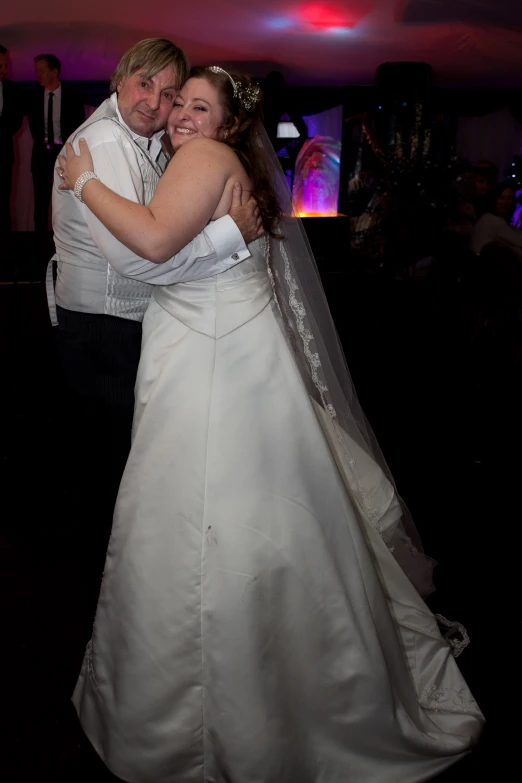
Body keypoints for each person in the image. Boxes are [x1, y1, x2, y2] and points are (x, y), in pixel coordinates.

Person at [58, 66, 483, 782]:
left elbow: (154, 247)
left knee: (200, 516)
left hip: (214, 363)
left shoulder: (201, 156)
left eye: (197, 105)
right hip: (221, 348)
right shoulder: (211, 160)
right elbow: (176, 258)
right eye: (176, 103)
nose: (180, 115)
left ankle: (224, 714)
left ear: (227, 123)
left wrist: (83, 181)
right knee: (246, 512)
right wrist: (225, 236)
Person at [50, 40, 261, 543]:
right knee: (115, 462)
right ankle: (107, 567)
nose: (157, 104)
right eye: (146, 83)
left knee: (132, 457)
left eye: (173, 95)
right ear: (120, 79)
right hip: (104, 328)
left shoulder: (164, 147)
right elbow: (142, 257)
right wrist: (231, 234)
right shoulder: (103, 142)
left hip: (129, 326)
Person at [27, 53, 85, 231]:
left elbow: (78, 127)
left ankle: (67, 240)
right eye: (36, 71)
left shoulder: (72, 97)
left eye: (42, 71)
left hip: (63, 155)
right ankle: (39, 244)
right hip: (41, 155)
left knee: (67, 202)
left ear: (54, 71)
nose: (38, 75)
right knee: (40, 204)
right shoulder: (34, 98)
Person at [0, 44, 23, 231]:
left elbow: (15, 121)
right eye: (0, 66)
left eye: (5, 65)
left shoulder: (12, 90)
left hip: (3, 155)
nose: (4, 70)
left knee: (4, 201)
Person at [471, 183, 522, 257]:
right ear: (494, 199)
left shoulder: (489, 217)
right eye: (501, 198)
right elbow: (519, 240)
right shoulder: (492, 220)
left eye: (509, 198)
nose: (505, 202)